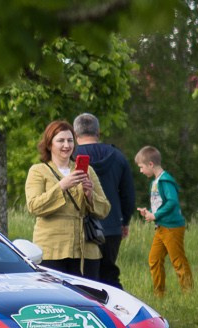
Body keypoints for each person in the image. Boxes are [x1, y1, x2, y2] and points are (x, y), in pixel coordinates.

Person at [24, 118, 110, 276]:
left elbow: (104, 209)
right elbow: (34, 206)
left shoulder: (87, 170)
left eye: (70, 140)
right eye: (61, 141)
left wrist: (90, 195)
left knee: (86, 298)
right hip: (51, 249)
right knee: (55, 297)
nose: (66, 145)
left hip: (85, 250)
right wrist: (62, 186)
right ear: (50, 144)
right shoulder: (38, 171)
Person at [73, 113, 137, 289]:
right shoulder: (118, 156)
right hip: (111, 225)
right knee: (109, 274)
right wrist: (124, 221)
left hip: (81, 226)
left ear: (75, 134)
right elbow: (128, 194)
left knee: (83, 278)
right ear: (98, 132)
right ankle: (119, 311)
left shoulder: (71, 157)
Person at [134, 145, 194, 295]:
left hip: (172, 227)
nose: (140, 171)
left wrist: (156, 215)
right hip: (160, 228)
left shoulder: (165, 180)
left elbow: (172, 201)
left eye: (141, 167)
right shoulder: (154, 182)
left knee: (178, 261)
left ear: (150, 164)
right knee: (154, 259)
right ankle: (159, 294)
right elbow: (160, 204)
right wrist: (149, 213)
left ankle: (189, 293)